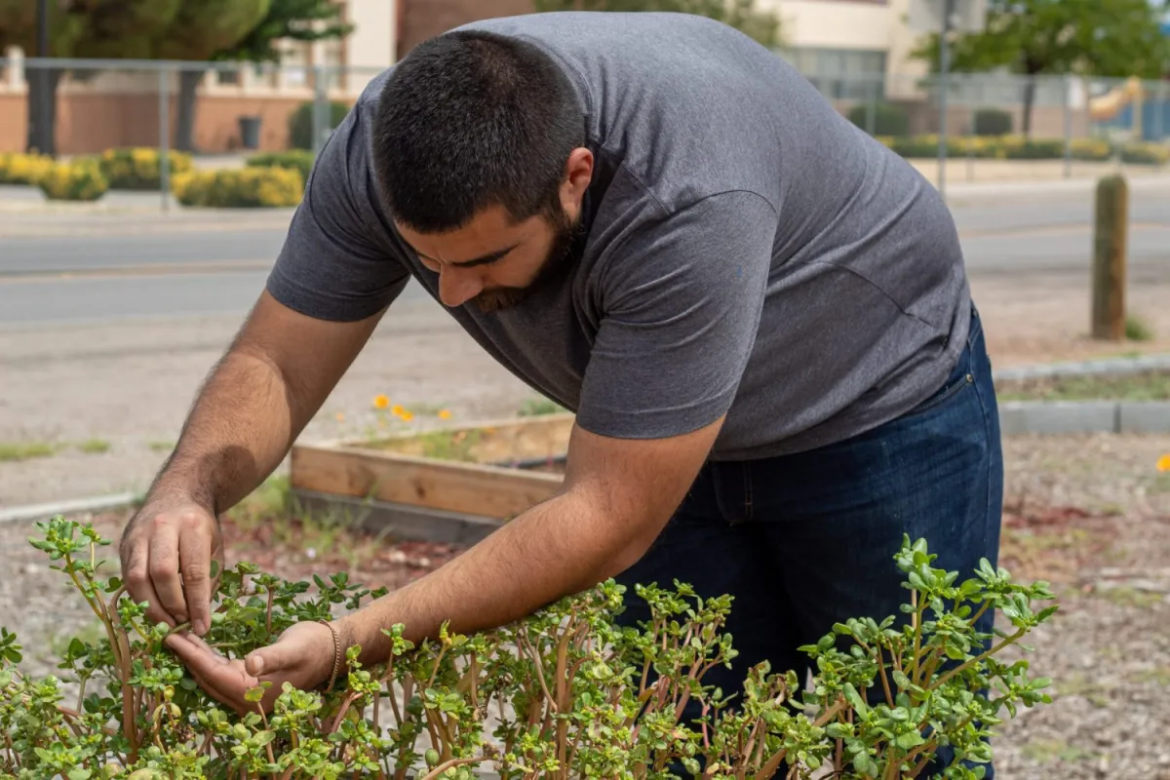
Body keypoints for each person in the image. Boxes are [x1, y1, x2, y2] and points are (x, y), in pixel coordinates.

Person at [119, 10, 1002, 775]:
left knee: (907, 746)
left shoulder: (686, 192)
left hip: (877, 404)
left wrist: (350, 645)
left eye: (482, 259)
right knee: (679, 745)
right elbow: (279, 358)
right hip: (662, 427)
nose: (451, 294)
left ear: (575, 178)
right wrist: (187, 487)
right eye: (425, 261)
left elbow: (606, 515)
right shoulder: (380, 151)